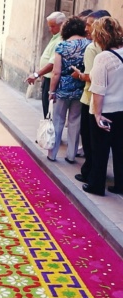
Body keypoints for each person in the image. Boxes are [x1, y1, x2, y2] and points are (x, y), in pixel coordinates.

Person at [82, 17, 123, 196]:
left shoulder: (103, 58)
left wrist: (97, 115)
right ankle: (120, 185)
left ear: (99, 35)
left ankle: (96, 185)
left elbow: (98, 88)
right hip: (122, 109)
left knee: (100, 150)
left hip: (105, 110)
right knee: (120, 150)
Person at [72, 10, 111, 184]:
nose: (85, 28)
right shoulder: (115, 46)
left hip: (91, 99)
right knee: (103, 143)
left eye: (89, 24)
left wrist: (79, 75)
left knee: (90, 141)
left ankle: (91, 174)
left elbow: (90, 76)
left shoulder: (92, 48)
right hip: (111, 99)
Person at [47, 16, 90, 163]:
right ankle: (71, 155)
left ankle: (52, 153)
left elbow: (56, 72)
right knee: (75, 121)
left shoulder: (62, 46)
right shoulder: (88, 44)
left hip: (63, 88)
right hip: (80, 87)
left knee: (57, 121)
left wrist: (51, 91)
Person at [26, 12, 66, 118]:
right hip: (47, 78)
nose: (50, 29)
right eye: (49, 26)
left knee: (50, 112)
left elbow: (53, 64)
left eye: (52, 26)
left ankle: (50, 133)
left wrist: (36, 75)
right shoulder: (56, 37)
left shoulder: (60, 40)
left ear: (61, 24)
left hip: (52, 80)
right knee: (47, 109)